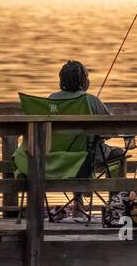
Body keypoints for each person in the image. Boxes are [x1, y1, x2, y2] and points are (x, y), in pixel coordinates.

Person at [49, 60, 129, 222]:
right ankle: (115, 208)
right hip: (86, 159)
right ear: (83, 80)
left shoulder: (51, 101)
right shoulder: (90, 100)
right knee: (118, 155)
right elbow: (111, 130)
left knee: (78, 155)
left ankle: (78, 207)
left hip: (56, 159)